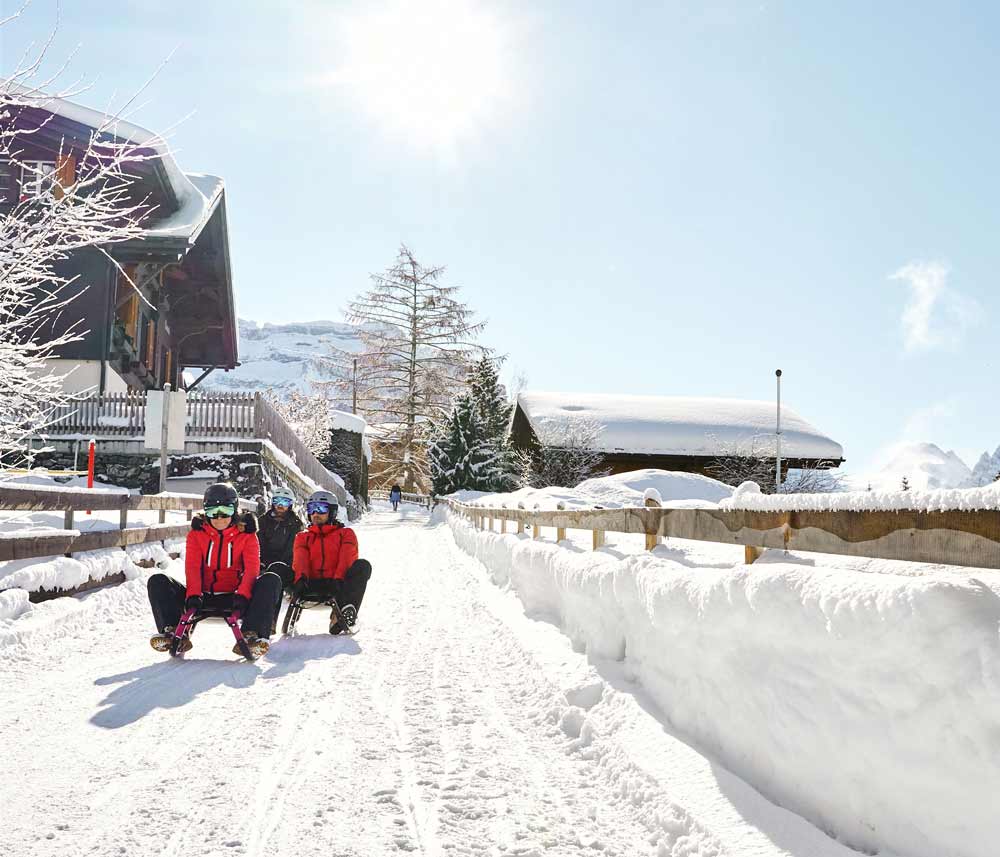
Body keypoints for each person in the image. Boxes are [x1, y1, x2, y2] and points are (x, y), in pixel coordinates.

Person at [147, 483, 281, 658]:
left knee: (271, 579)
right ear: (205, 511)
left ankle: (251, 635)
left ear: (234, 511)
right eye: (212, 512)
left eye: (225, 511)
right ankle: (173, 632)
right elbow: (193, 567)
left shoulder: (247, 536)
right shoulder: (197, 534)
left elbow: (251, 569)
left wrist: (242, 595)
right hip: (202, 596)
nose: (219, 518)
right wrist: (193, 595)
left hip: (236, 597)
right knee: (158, 581)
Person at [292, 489, 372, 634]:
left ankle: (342, 615)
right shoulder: (303, 537)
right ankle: (266, 624)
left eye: (321, 509)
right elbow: (300, 560)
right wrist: (300, 580)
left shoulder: (345, 534)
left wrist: (339, 579)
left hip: (337, 584)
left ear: (332, 512)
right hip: (309, 583)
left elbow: (347, 558)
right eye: (311, 509)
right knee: (278, 569)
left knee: (363, 566)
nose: (315, 513)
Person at [257, 484, 303, 610]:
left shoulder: (295, 524)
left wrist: (283, 564)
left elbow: (292, 548)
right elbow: (258, 543)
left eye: (285, 502)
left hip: (285, 564)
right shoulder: (263, 521)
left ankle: (271, 619)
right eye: (277, 501)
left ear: (290, 504)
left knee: (277, 574)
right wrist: (261, 562)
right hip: (264, 562)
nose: (280, 505)